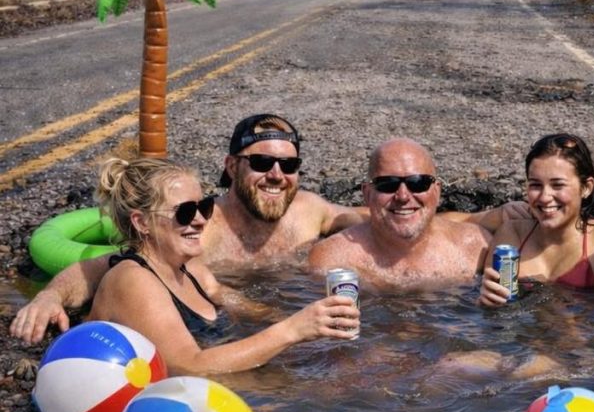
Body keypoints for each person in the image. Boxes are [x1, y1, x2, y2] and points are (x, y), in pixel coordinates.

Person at [11, 113, 367, 344]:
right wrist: (49, 295)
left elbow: (376, 219)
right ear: (231, 166)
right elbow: (103, 267)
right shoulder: (196, 229)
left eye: (288, 164)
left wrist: (292, 323)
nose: (276, 174)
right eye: (261, 162)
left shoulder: (310, 210)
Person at [84, 158, 359, 374]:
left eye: (203, 207)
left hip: (215, 380)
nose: (201, 220)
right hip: (171, 402)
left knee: (348, 367)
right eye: (184, 212)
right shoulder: (134, 281)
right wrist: (291, 330)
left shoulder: (190, 269)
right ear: (142, 222)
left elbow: (237, 302)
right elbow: (187, 365)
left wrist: (311, 324)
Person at [307, 138, 491, 288]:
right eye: (388, 184)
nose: (403, 196)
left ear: (437, 191)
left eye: (418, 183)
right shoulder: (331, 260)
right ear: (367, 193)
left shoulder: (475, 248)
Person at [479, 133, 594, 306]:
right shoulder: (513, 235)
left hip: (579, 331)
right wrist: (485, 301)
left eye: (558, 185)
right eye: (535, 185)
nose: (544, 197)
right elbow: (494, 314)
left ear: (586, 187)